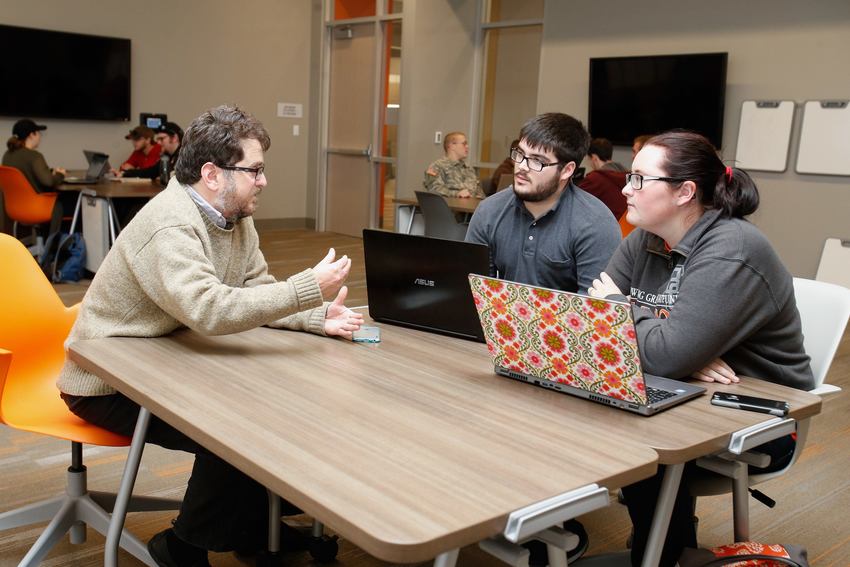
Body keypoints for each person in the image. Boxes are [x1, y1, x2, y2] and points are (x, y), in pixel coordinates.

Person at [57, 105, 364, 566]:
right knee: (231, 432)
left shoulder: (236, 216)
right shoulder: (171, 225)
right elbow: (209, 310)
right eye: (255, 170)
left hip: (163, 351)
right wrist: (304, 288)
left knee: (271, 408)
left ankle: (252, 529)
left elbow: (254, 289)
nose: (263, 181)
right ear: (212, 174)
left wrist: (315, 316)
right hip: (106, 379)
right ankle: (181, 546)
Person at [588, 131, 813, 567]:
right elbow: (594, 324)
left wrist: (629, 313)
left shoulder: (733, 249)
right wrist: (679, 351)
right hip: (688, 389)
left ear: (685, 192)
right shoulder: (646, 236)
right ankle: (664, 552)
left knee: (637, 434)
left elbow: (625, 321)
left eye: (638, 179)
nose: (625, 188)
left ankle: (662, 556)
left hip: (760, 410)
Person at [465, 113, 621, 294]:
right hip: (501, 319)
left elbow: (594, 311)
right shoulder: (490, 211)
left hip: (567, 321)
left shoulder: (596, 223)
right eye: (520, 154)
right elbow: (475, 292)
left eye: (537, 161)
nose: (522, 166)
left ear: (566, 170)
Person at [2, 119, 72, 234]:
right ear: (31, 135)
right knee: (63, 204)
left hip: (14, 209)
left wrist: (48, 171)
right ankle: (52, 246)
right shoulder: (35, 156)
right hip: (38, 207)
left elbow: (25, 174)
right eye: (38, 133)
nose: (40, 136)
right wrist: (60, 174)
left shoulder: (7, 155)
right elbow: (49, 182)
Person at [423, 131, 484, 198]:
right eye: (464, 144)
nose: (467, 146)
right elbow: (434, 190)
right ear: (452, 146)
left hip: (471, 207)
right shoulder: (437, 166)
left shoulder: (469, 168)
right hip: (449, 207)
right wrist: (457, 194)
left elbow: (479, 192)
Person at [578, 137, 627, 219]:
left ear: (594, 158)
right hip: (626, 226)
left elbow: (575, 202)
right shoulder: (628, 175)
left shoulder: (595, 179)